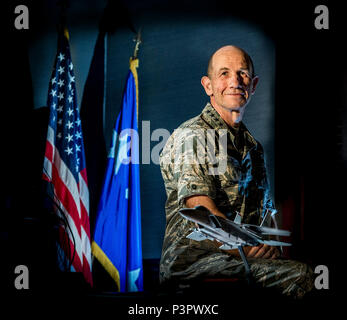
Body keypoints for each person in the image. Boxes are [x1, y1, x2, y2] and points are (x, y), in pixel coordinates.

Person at [159, 45, 314, 299]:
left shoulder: (253, 148)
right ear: (208, 86)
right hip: (193, 264)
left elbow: (266, 216)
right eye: (224, 73)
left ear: (253, 85)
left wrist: (270, 247)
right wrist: (248, 245)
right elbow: (200, 213)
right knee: (306, 278)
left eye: (242, 73)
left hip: (242, 258)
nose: (234, 81)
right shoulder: (195, 135)